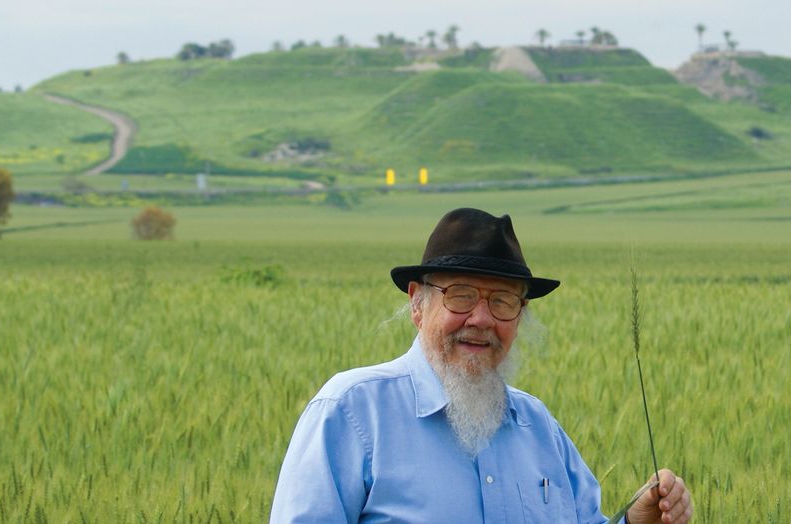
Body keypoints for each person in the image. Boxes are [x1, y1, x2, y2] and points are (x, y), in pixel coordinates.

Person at [270, 207, 692, 523]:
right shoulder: (351, 412)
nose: (482, 318)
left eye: (503, 301)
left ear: (520, 315)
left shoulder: (539, 427)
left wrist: (635, 521)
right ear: (418, 303)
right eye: (461, 295)